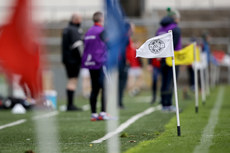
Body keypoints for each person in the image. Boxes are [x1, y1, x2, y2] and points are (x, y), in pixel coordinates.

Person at [81, 11, 108, 121]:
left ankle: (93, 114)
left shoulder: (88, 32)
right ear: (101, 19)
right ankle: (103, 113)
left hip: (90, 63)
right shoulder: (102, 31)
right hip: (100, 62)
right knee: (105, 87)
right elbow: (108, 44)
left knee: (95, 88)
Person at [156, 8, 182, 111]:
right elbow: (173, 44)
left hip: (162, 59)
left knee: (164, 81)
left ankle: (163, 103)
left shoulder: (160, 29)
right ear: (175, 18)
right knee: (170, 82)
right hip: (172, 59)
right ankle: (168, 104)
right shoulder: (175, 28)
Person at [61, 13, 83, 111]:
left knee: (71, 80)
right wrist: (82, 57)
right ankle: (70, 105)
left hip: (67, 59)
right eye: (80, 19)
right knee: (72, 80)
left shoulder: (66, 29)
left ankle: (69, 104)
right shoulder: (73, 30)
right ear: (76, 20)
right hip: (73, 60)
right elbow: (77, 45)